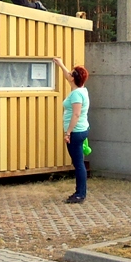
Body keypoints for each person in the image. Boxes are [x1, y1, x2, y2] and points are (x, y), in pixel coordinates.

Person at [56, 58, 90, 204]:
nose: (68, 74)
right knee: (79, 162)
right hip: (82, 130)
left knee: (78, 164)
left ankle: (80, 194)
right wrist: (60, 64)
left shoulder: (76, 94)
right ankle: (80, 192)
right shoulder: (81, 90)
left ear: (73, 78)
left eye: (70, 73)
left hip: (75, 132)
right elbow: (68, 76)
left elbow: (76, 114)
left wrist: (68, 132)